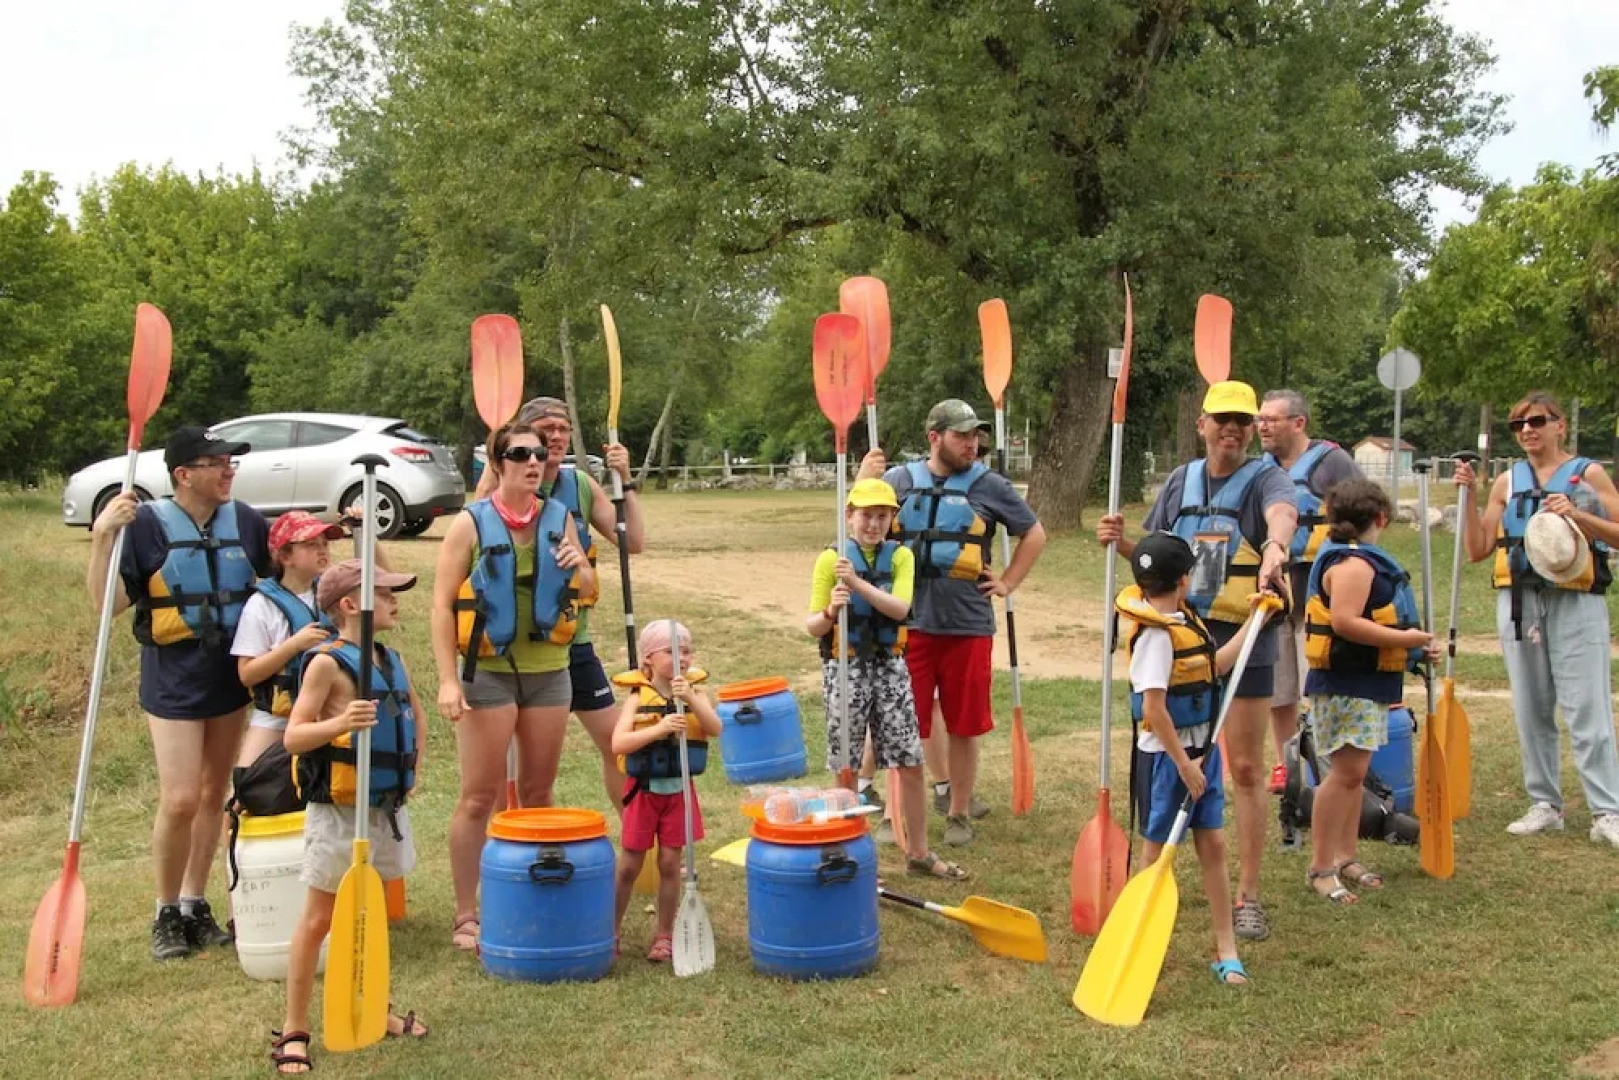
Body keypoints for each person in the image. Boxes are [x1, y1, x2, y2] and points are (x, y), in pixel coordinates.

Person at [1097, 380, 1296, 941]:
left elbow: (1283, 514)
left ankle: (1248, 894)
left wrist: (1275, 548)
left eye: (1242, 421)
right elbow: (1158, 558)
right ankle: (1151, 878)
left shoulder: (1266, 478)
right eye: (1221, 419)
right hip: (1181, 635)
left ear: (1251, 429)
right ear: (1202, 424)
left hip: (1240, 633)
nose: (1231, 429)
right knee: (1173, 752)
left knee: (1247, 767)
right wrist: (1122, 543)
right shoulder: (1180, 481)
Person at [87, 425, 270, 960]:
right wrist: (102, 538)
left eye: (231, 463)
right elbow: (106, 605)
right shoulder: (145, 526)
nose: (229, 471)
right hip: (173, 676)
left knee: (214, 794)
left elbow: (286, 570)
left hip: (227, 675)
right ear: (184, 474)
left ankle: (194, 902)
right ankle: (165, 910)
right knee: (182, 797)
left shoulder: (246, 521)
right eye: (218, 463)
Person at [432, 419, 596, 951]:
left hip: (550, 672)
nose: (534, 462)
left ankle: (527, 892)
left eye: (540, 454)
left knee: (538, 792)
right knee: (479, 797)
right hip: (489, 675)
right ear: (498, 463)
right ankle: (466, 914)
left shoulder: (559, 517)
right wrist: (448, 681)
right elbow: (441, 607)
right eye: (521, 454)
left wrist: (580, 566)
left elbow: (589, 587)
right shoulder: (469, 525)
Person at [857, 399, 1046, 846]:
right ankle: (896, 815)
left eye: (975, 435)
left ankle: (958, 812)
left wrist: (1008, 581)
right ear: (935, 437)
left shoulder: (990, 485)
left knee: (964, 724)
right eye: (961, 436)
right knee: (901, 724)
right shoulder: (898, 481)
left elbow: (1034, 533)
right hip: (908, 625)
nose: (971, 444)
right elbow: (860, 530)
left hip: (967, 625)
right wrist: (865, 481)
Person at [271, 559, 428, 1074]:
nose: (394, 600)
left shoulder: (391, 659)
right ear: (349, 604)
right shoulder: (325, 664)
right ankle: (294, 1029)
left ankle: (375, 1006)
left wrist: (412, 770)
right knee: (320, 918)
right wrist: (341, 722)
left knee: (370, 914)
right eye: (384, 593)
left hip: (384, 806)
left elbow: (416, 716)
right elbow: (294, 736)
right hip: (340, 812)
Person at [1453, 392, 1619, 846]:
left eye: (1537, 421)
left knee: (1587, 708)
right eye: (1518, 425)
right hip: (1519, 601)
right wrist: (1469, 496)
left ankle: (1607, 810)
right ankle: (1545, 804)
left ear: (1560, 426)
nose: (1527, 430)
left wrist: (1579, 515)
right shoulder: (1508, 481)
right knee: (1531, 707)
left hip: (1575, 598)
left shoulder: (1588, 474)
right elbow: (1477, 549)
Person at [478, 396, 645, 812]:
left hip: (572, 640)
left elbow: (633, 541)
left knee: (616, 743)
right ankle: (507, 844)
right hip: (511, 649)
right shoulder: (506, 485)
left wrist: (625, 480)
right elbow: (474, 527)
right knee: (502, 771)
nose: (555, 437)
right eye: (546, 429)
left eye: (563, 429)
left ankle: (636, 836)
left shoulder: (580, 486)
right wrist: (495, 465)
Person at [1119, 532, 1270, 987]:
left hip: (1204, 752)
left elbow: (1215, 666)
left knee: (1214, 846)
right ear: (1185, 579)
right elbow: (1154, 709)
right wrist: (1184, 766)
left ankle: (1226, 949)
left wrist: (1255, 620)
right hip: (1169, 762)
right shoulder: (1155, 636)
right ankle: (1134, 945)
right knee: (1154, 855)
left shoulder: (1186, 621)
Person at [805, 478, 968, 880]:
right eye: (866, 516)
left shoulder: (901, 557)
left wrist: (856, 584)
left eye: (882, 516)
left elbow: (899, 608)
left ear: (892, 519)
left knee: (910, 761)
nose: (874, 524)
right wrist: (830, 611)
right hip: (845, 668)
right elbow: (812, 627)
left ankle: (919, 853)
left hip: (890, 666)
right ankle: (844, 851)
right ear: (850, 516)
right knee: (845, 766)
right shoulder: (830, 560)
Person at [1301, 479, 1433, 903]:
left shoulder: (1353, 558)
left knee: (1353, 776)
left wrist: (1411, 649)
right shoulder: (1353, 565)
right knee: (1342, 776)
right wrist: (1406, 639)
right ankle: (1321, 867)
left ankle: (1345, 856)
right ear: (1380, 517)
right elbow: (1344, 622)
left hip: (1364, 684)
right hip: (1346, 685)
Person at [1257, 389, 1363, 790]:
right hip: (1275, 590)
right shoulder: (1261, 469)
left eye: (1272, 419)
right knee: (1279, 688)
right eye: (1260, 419)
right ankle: (1286, 763)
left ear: (1298, 423)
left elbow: (1365, 513)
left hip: (1319, 588)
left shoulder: (1332, 462)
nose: (1262, 426)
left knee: (1315, 684)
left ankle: (1325, 763)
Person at [610, 620, 722, 963]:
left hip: (679, 794)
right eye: (671, 651)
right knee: (629, 865)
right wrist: (658, 730)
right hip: (643, 793)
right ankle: (610, 932)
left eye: (686, 651)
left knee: (671, 863)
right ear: (648, 658)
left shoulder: (696, 693)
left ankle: (664, 935)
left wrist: (690, 698)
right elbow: (618, 743)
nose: (682, 658)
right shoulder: (636, 698)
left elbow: (715, 728)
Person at [231, 512, 346, 770]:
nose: (322, 550)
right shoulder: (261, 605)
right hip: (279, 715)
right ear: (284, 556)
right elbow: (247, 674)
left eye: (325, 543)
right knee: (246, 784)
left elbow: (377, 582)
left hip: (332, 711)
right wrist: (294, 645)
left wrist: (364, 534)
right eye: (310, 545)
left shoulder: (336, 593)